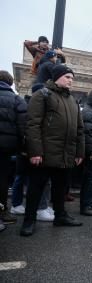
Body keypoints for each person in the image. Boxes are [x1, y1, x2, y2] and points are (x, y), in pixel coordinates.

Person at [20, 65, 85, 237]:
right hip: (44, 154)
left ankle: (60, 216)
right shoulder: (42, 95)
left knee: (60, 189)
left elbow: (79, 129)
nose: (70, 80)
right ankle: (29, 220)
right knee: (36, 189)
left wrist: (79, 152)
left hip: (65, 155)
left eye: (72, 78)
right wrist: (35, 152)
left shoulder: (72, 101)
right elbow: (33, 125)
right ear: (56, 77)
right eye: (67, 77)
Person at [10, 84, 54, 222]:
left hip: (33, 149)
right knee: (24, 178)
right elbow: (25, 128)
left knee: (32, 180)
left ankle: (38, 206)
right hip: (27, 150)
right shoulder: (27, 105)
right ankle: (19, 205)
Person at [0, 70, 27, 228]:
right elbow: (23, 126)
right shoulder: (16, 99)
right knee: (2, 180)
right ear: (10, 83)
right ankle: (2, 213)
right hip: (5, 149)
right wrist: (23, 148)